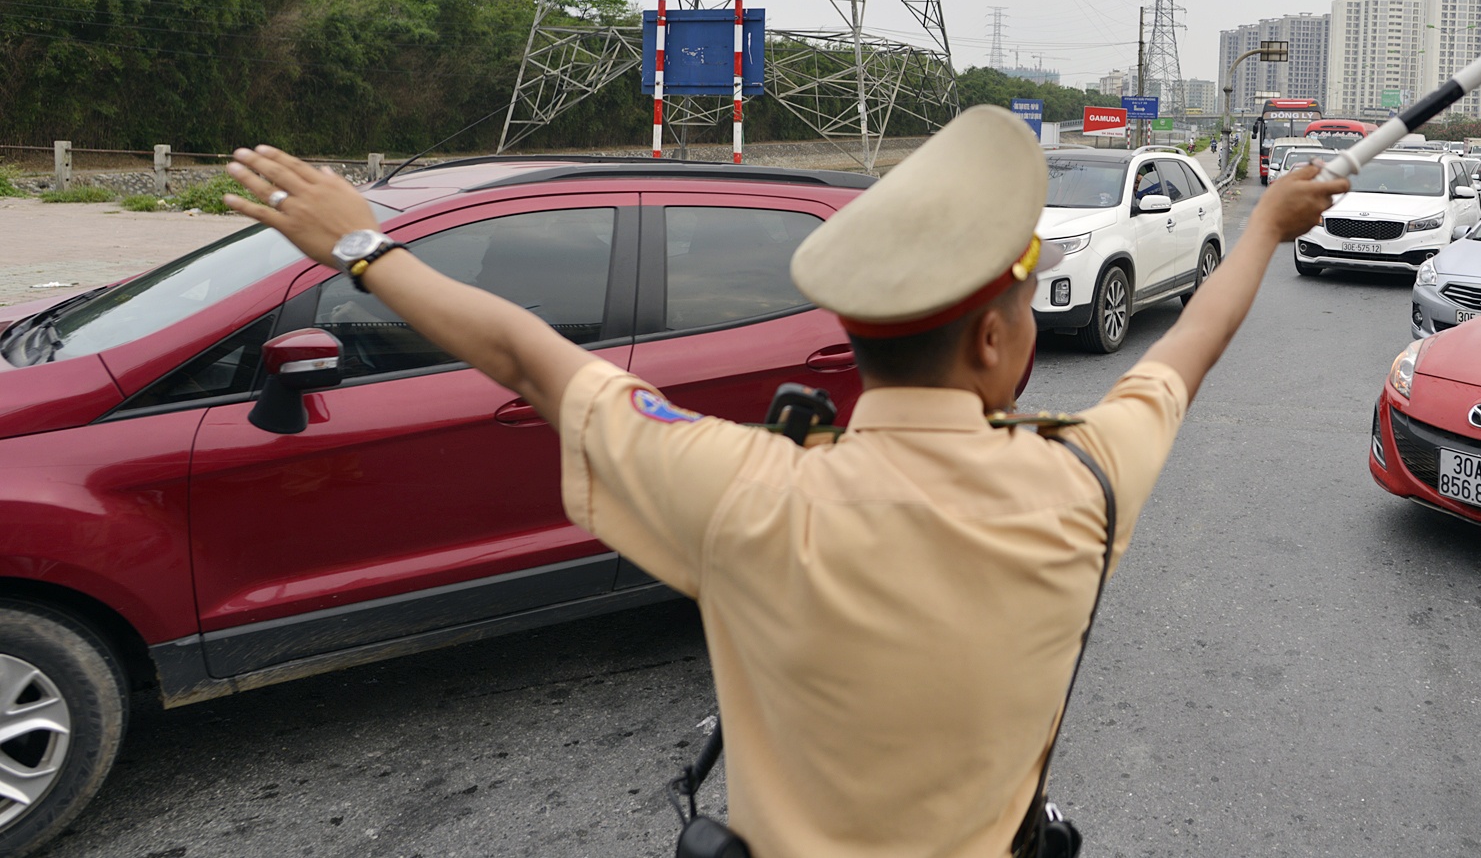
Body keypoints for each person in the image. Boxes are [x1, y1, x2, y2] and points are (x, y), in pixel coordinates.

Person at [221, 108, 1344, 858]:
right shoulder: (1085, 482)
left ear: (858, 336)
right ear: (999, 343)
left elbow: (527, 355)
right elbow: (1184, 352)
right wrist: (1264, 229)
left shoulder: (740, 489)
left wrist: (363, 246)